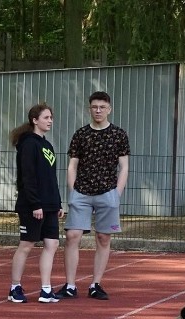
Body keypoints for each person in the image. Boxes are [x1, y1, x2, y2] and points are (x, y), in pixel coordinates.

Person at [56, 91, 130, 301]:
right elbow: (72, 165)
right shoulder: (81, 134)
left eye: (102, 107)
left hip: (108, 192)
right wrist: (73, 191)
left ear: (109, 109)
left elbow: (124, 167)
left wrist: (117, 192)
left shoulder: (119, 134)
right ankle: (70, 285)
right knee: (72, 236)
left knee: (103, 237)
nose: (98, 111)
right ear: (90, 109)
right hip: (81, 192)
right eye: (94, 107)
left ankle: (95, 284)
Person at [6, 103, 65, 304]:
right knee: (27, 244)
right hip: (32, 205)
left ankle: (46, 290)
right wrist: (35, 204)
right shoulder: (28, 144)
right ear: (35, 120)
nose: (50, 121)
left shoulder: (46, 145)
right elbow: (28, 178)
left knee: (52, 243)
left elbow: (50, 178)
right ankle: (15, 287)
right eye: (46, 117)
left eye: (51, 117)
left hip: (49, 205)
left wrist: (57, 203)